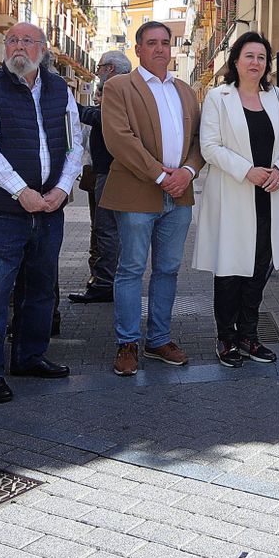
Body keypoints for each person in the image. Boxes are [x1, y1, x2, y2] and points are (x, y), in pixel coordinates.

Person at [0, 23, 82, 404]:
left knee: (41, 288)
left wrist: (62, 189)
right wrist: (21, 191)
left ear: (43, 49)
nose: (17, 46)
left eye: (26, 41)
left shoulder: (59, 88)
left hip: (50, 209)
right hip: (5, 211)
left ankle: (30, 356)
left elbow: (74, 143)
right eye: (11, 40)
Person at [101, 24, 202, 376]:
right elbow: (120, 139)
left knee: (168, 270)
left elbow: (198, 142)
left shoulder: (186, 92)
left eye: (165, 43)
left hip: (180, 195)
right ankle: (126, 343)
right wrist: (161, 175)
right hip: (137, 192)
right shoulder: (118, 87)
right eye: (152, 43)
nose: (160, 49)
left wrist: (186, 173)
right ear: (138, 49)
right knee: (130, 269)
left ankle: (158, 339)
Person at [195, 32, 279, 368]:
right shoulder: (218, 97)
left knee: (257, 271)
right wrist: (247, 170)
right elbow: (210, 146)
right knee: (229, 271)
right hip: (234, 195)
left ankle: (249, 336)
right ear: (236, 60)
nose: (256, 63)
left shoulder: (277, 96)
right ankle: (226, 338)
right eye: (249, 56)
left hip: (269, 194)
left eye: (262, 57)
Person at [69, 51, 132, 305]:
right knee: (105, 227)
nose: (97, 72)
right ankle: (106, 279)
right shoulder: (124, 89)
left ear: (113, 69)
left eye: (101, 67)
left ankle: (106, 283)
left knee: (107, 228)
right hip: (107, 170)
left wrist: (70, 104)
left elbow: (104, 118)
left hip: (112, 170)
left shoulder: (123, 90)